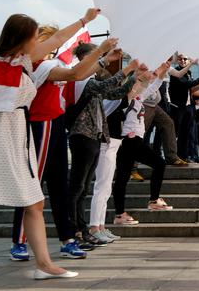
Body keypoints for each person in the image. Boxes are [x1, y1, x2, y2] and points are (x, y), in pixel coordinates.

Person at [0, 14, 79, 282]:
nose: (38, 41)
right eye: (34, 36)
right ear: (22, 38)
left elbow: (57, 38)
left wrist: (83, 21)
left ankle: (44, 264)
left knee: (34, 201)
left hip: (17, 134)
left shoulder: (22, 62)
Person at [9, 10, 114, 261]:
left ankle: (67, 238)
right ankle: (20, 241)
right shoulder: (35, 64)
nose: (55, 46)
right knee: (34, 185)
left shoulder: (48, 63)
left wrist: (101, 58)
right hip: (39, 124)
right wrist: (100, 51)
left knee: (60, 185)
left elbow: (79, 74)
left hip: (54, 124)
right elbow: (75, 74)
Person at [66, 45, 139, 246]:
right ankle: (73, 232)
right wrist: (126, 69)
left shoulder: (92, 80)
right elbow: (104, 87)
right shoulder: (80, 79)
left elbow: (117, 93)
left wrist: (134, 74)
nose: (99, 61)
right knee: (77, 187)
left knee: (83, 188)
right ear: (84, 59)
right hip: (82, 135)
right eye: (94, 57)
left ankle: (82, 230)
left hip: (94, 136)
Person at [113, 62, 174, 226]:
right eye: (138, 84)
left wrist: (162, 71)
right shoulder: (126, 99)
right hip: (130, 140)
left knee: (123, 177)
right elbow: (141, 84)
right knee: (158, 164)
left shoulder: (139, 98)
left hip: (134, 141)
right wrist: (146, 75)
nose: (142, 87)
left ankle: (120, 214)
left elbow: (154, 86)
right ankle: (152, 201)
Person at [168, 54, 199, 162]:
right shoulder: (175, 71)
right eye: (180, 59)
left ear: (188, 61)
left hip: (188, 106)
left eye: (185, 59)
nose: (182, 61)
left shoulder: (188, 73)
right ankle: (172, 156)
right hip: (178, 107)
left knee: (186, 133)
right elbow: (186, 84)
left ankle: (183, 156)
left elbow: (192, 89)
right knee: (176, 133)